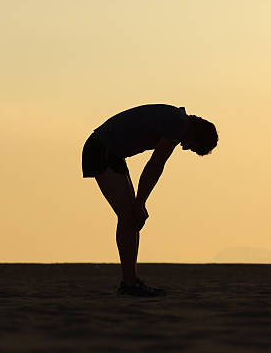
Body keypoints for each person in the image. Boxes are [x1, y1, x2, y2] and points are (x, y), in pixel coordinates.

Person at [82, 104, 218, 296]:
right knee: (129, 217)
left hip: (112, 154)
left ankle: (131, 280)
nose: (186, 148)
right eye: (193, 147)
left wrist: (139, 203)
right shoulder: (178, 124)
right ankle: (128, 284)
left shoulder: (178, 120)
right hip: (100, 149)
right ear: (196, 131)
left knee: (132, 219)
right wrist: (140, 203)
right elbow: (155, 166)